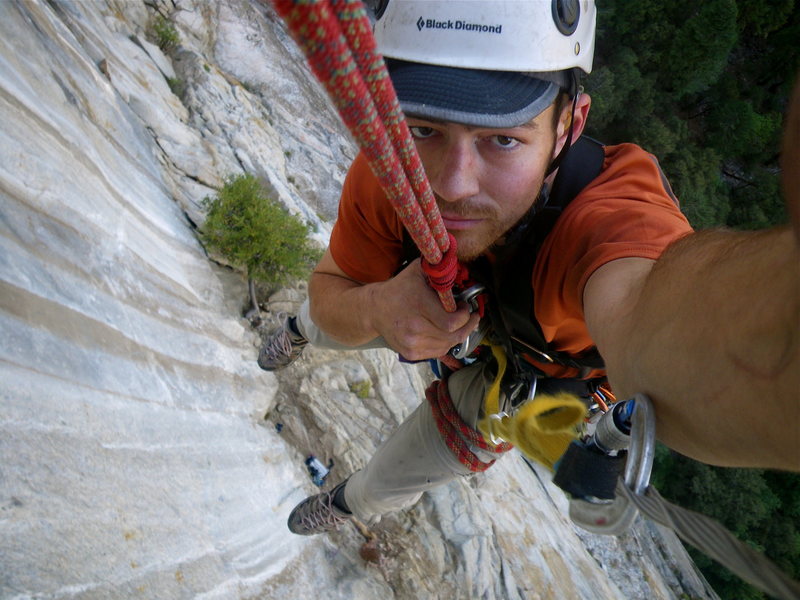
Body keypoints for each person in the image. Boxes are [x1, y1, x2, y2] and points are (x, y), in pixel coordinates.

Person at [258, 0, 800, 536]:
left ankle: (348, 505)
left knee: (394, 475)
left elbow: (659, 318)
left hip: (529, 382)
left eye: (503, 139)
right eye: (425, 129)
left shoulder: (607, 216)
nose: (453, 184)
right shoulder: (389, 172)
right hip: (423, 304)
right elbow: (335, 287)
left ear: (569, 125)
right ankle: (296, 333)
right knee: (329, 315)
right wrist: (378, 306)